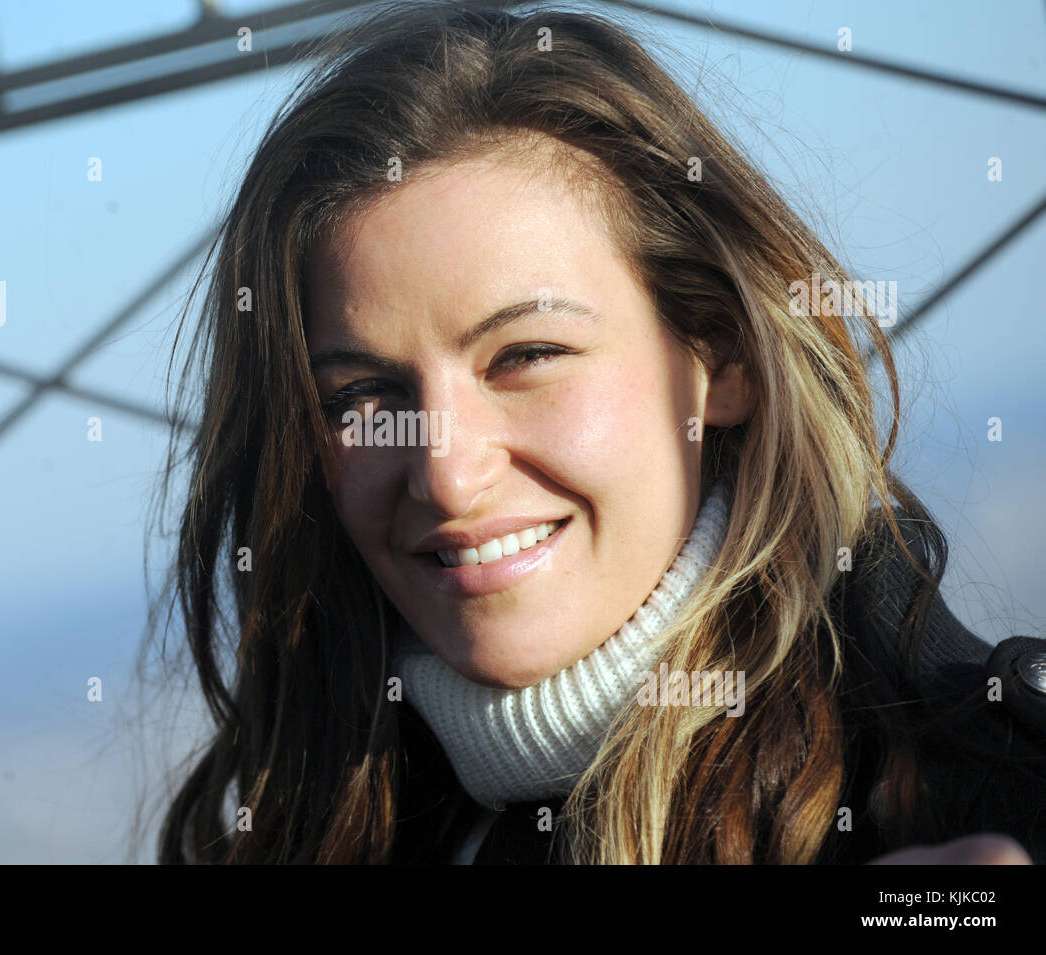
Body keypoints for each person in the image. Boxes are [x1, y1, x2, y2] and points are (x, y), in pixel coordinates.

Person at [141, 0, 1046, 864]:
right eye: (363, 397)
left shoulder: (978, 806)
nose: (448, 476)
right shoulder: (315, 821)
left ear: (723, 357)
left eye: (526, 354)